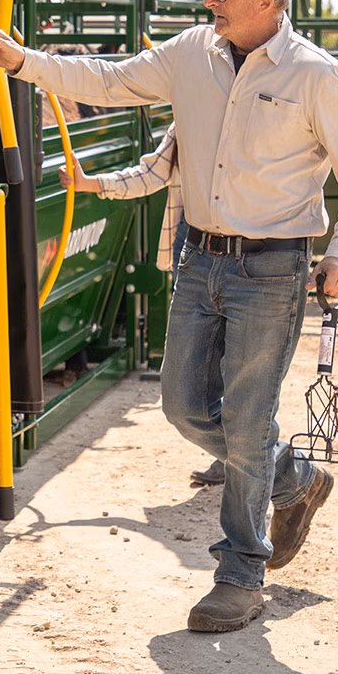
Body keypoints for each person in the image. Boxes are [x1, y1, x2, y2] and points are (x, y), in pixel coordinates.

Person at [0, 0, 338, 632]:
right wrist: (21, 61)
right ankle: (294, 477)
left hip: (274, 268)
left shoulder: (316, 74)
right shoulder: (192, 52)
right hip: (200, 259)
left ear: (268, 3)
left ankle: (241, 572)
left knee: (247, 416)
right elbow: (106, 80)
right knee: (186, 409)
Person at [60, 126, 223, 487]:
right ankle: (247, 457)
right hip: (195, 241)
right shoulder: (191, 105)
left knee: (242, 364)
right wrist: (91, 184)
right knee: (190, 378)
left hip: (255, 249)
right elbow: (153, 172)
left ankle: (250, 465)